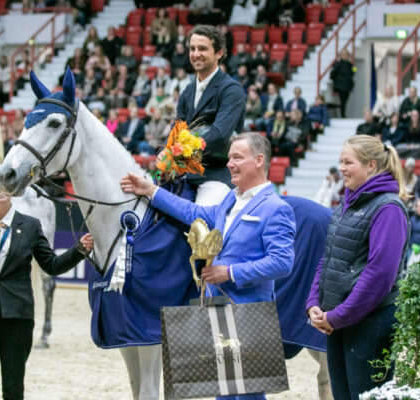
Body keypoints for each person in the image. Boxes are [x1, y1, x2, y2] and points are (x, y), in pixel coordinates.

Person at [121, 131, 296, 400]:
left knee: (248, 396)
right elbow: (195, 214)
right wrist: (151, 191)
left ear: (259, 160)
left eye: (237, 158)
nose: (229, 164)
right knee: (224, 395)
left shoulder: (276, 207)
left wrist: (230, 272)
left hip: (250, 312)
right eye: (229, 158)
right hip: (218, 309)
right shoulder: (231, 200)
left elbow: (282, 262)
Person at [0, 164, 94, 400]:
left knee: (14, 390)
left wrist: (79, 250)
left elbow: (51, 265)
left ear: (14, 188)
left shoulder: (30, 226)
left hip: (17, 317)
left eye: (3, 182)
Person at [306, 135, 411, 399]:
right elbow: (328, 257)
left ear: (371, 166)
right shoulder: (347, 203)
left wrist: (337, 316)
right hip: (339, 321)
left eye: (347, 162)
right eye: (340, 161)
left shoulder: (388, 209)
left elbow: (379, 276)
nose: (341, 168)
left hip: (371, 323)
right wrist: (314, 302)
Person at [175, 25, 247, 205]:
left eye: (202, 48)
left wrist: (181, 151)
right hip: (186, 173)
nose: (196, 54)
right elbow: (177, 130)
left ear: (219, 53)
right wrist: (165, 152)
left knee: (201, 226)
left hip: (216, 175)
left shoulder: (232, 90)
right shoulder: (187, 92)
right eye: (192, 49)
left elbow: (219, 134)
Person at [330, 49, 355, 118]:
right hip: (340, 86)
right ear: (340, 55)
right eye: (343, 54)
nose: (345, 56)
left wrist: (354, 68)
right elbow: (332, 74)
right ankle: (342, 114)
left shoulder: (350, 64)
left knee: (345, 100)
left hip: (347, 86)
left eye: (346, 54)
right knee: (342, 100)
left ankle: (343, 113)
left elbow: (353, 72)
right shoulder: (337, 64)